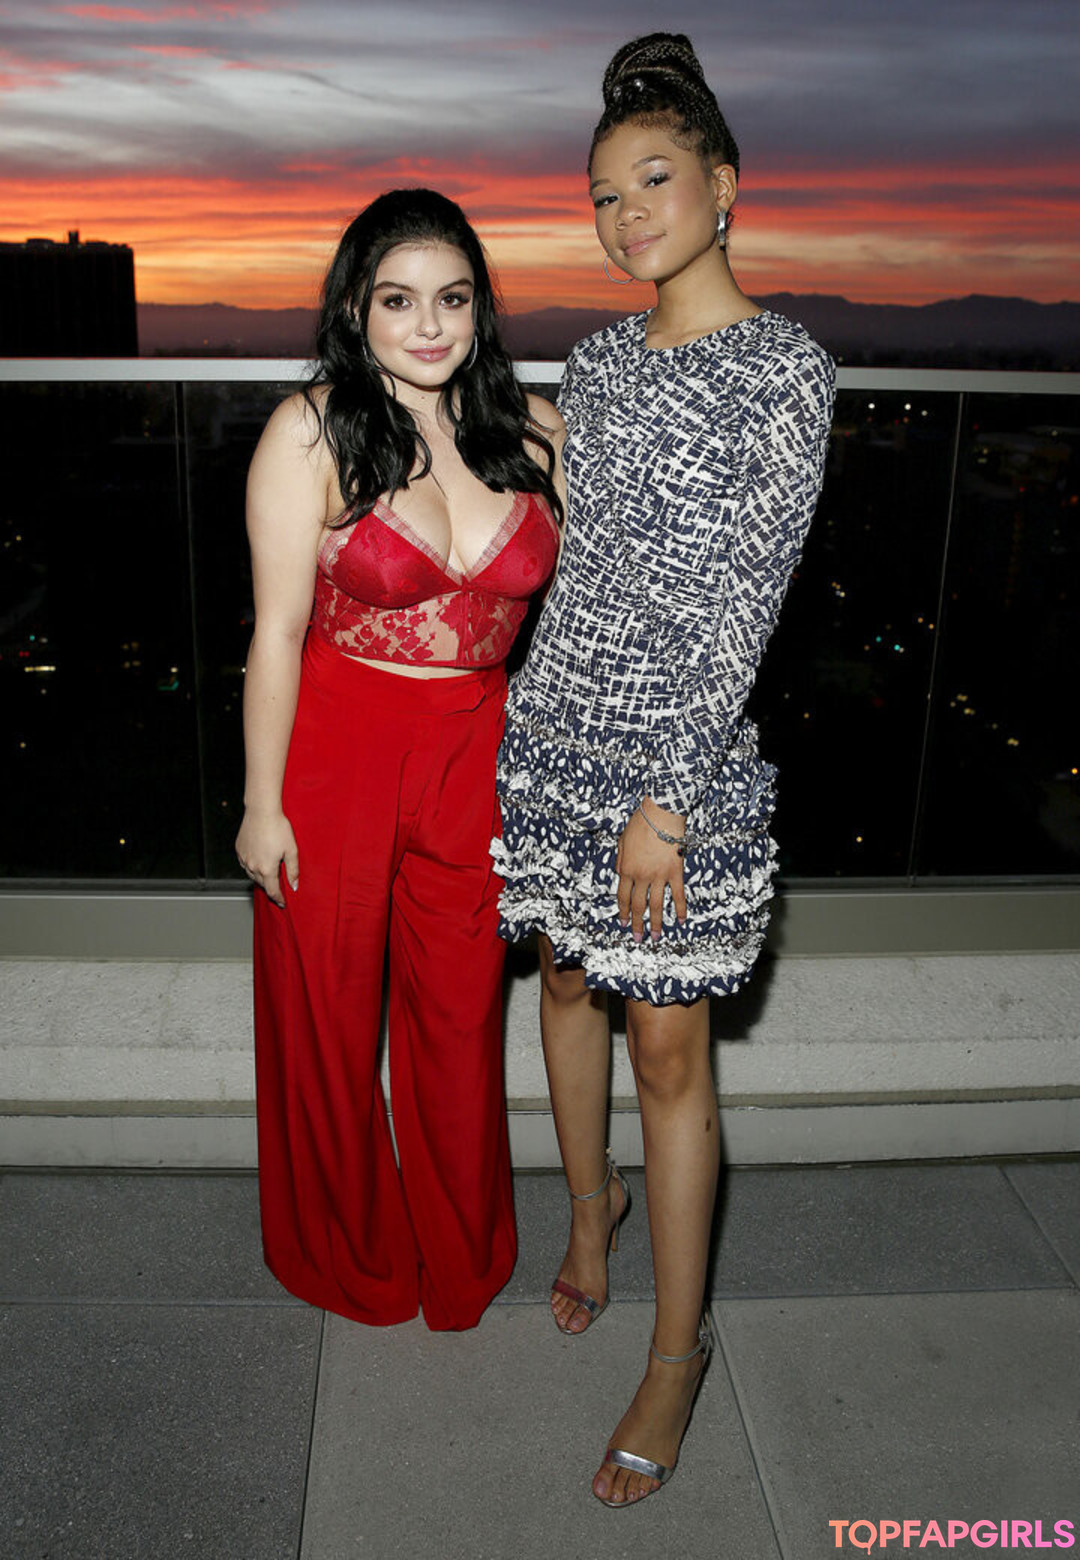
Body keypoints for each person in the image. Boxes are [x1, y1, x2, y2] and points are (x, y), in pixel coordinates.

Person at [493, 34, 835, 1502]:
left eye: (653, 179)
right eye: (602, 195)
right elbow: (596, 543)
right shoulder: (594, 362)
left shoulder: (788, 372)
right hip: (556, 731)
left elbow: (743, 605)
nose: (626, 214)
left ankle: (678, 1355)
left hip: (670, 766)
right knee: (565, 984)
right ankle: (592, 1210)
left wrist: (669, 800)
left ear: (725, 185)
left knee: (668, 1049)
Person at [236, 188, 563, 1331]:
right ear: (356, 309)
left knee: (461, 1022)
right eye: (398, 300)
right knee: (327, 1018)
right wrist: (261, 804)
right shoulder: (311, 431)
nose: (429, 325)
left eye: (453, 299)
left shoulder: (533, 432)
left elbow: (594, 618)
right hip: (337, 751)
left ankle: (459, 1257)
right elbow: (277, 632)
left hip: (479, 756)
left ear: (481, 309)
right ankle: (356, 1255)